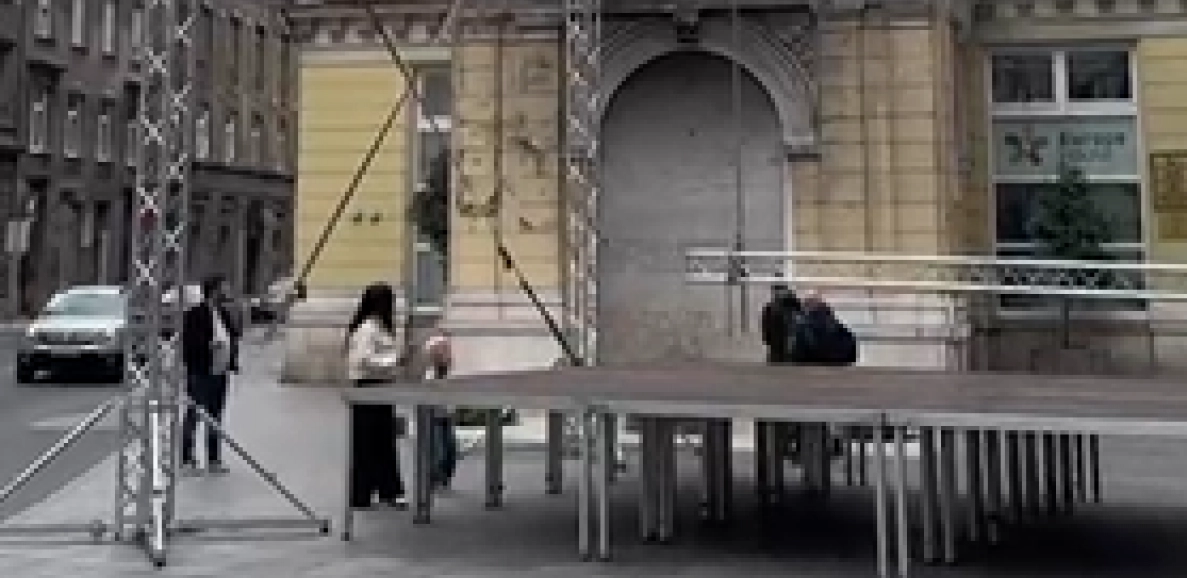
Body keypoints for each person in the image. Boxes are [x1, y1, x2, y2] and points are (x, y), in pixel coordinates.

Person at [345, 282, 408, 509]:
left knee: (383, 441)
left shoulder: (380, 327)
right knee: (367, 443)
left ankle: (387, 489)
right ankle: (363, 493)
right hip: (368, 387)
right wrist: (393, 361)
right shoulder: (367, 329)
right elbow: (363, 360)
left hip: (381, 387)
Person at [180, 275, 241, 477]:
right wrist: (208, 345)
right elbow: (189, 343)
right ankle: (186, 459)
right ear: (214, 291)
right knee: (194, 414)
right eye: (225, 287)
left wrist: (232, 358)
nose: (228, 291)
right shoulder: (195, 314)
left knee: (215, 416)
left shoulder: (223, 313)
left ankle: (213, 459)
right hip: (201, 372)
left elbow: (232, 335)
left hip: (219, 372)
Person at [423, 328, 458, 491]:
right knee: (439, 450)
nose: (448, 356)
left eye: (448, 351)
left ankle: (445, 478)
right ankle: (434, 478)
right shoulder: (430, 376)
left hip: (447, 415)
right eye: (443, 352)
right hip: (434, 416)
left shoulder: (451, 375)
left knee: (450, 448)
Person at [760, 284, 803, 364]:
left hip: (786, 339)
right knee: (777, 359)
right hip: (777, 340)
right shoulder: (770, 307)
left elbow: (799, 314)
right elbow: (765, 324)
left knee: (783, 359)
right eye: (775, 292)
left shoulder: (791, 304)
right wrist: (766, 337)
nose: (777, 294)